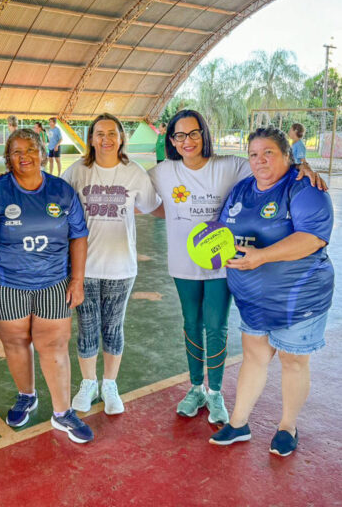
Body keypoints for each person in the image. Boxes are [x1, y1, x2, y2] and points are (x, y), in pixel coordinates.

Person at [148, 110, 323, 426]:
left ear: (204, 134)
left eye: (193, 133)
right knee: (191, 323)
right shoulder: (163, 172)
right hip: (183, 263)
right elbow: (142, 198)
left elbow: (271, 166)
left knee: (215, 326)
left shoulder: (230, 166)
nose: (187, 141)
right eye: (179, 135)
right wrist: (174, 215)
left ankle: (215, 392)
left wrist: (302, 167)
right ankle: (195, 387)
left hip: (222, 263)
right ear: (171, 140)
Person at [210, 127, 333, 457]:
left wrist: (262, 256)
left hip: (299, 298)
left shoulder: (305, 188)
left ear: (287, 156)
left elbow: (313, 238)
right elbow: (223, 233)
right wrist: (217, 251)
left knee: (293, 362)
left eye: (268, 153)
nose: (260, 160)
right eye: (253, 154)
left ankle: (287, 426)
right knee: (254, 357)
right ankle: (238, 423)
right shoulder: (240, 191)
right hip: (253, 299)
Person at [0, 129, 93, 443]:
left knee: (54, 345)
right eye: (16, 152)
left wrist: (77, 281)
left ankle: (63, 413)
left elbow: (78, 236)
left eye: (30, 150)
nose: (24, 157)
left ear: (41, 152)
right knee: (15, 343)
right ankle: (27, 395)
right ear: (7, 158)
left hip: (53, 283)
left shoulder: (61, 191)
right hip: (3, 284)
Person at [62, 114, 161, 415]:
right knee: (87, 327)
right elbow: (56, 204)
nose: (106, 139)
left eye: (113, 133)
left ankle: (110, 383)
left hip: (121, 267)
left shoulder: (134, 173)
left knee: (113, 327)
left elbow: (151, 206)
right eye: (100, 133)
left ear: (121, 138)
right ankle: (88, 382)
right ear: (91, 138)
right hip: (84, 267)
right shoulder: (77, 172)